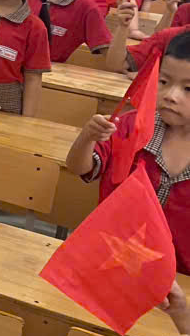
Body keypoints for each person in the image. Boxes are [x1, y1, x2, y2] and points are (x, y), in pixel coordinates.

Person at [66, 30, 190, 274]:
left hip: (180, 278)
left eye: (189, 88)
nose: (171, 96)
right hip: (112, 263)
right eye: (164, 82)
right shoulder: (128, 126)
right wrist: (87, 137)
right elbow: (79, 167)